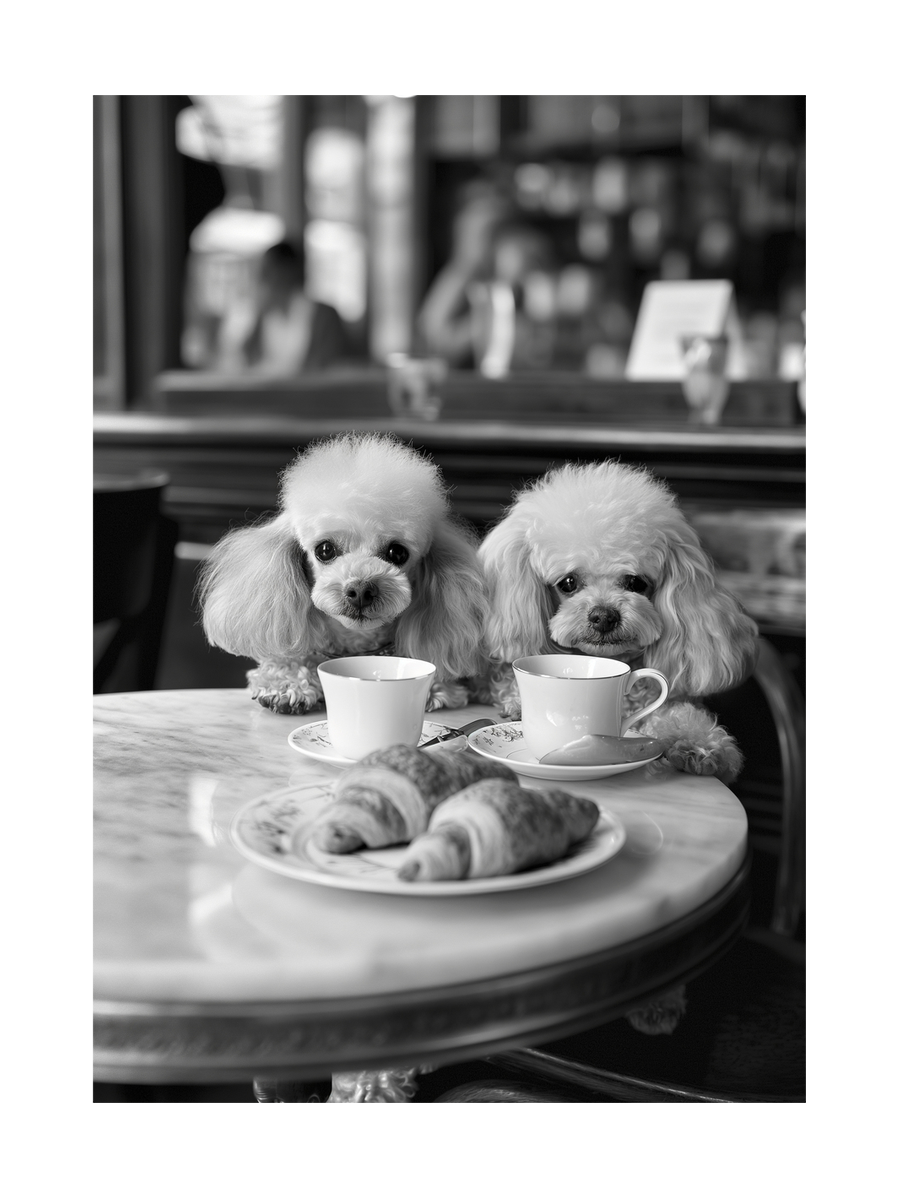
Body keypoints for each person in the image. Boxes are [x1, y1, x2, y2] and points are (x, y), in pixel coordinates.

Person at [417, 194, 556, 372]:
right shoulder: (477, 281)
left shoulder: (529, 266)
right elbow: (430, 336)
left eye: (477, 235)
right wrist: (463, 264)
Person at [215, 240, 349, 375]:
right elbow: (245, 361)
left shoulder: (324, 315)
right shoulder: (263, 315)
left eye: (267, 273)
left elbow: (326, 368)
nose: (262, 281)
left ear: (287, 273)